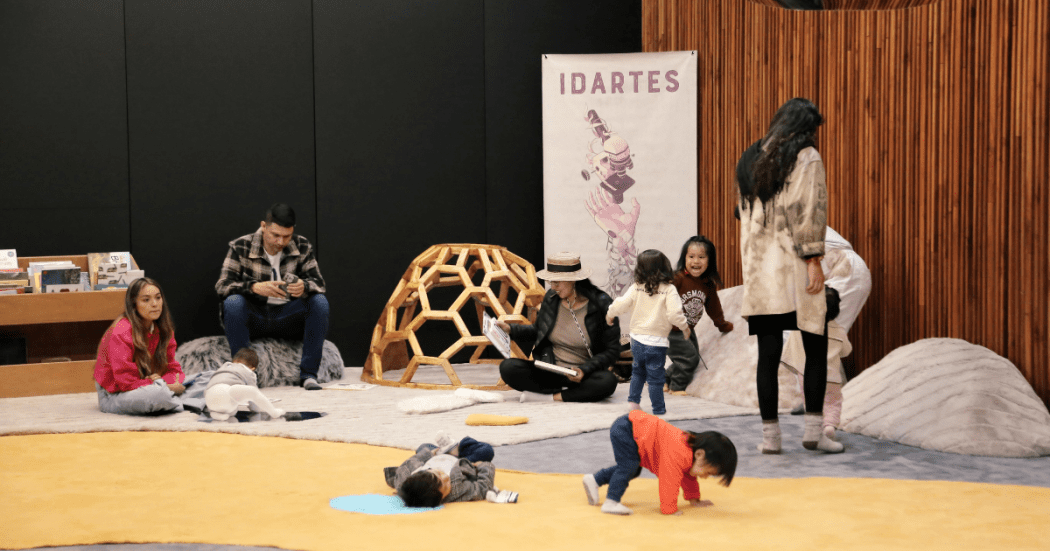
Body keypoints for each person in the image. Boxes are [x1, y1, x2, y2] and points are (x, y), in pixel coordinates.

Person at [735, 97, 842, 454]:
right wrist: (814, 258)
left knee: (768, 352)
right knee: (815, 344)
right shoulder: (806, 156)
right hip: (794, 265)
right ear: (805, 128)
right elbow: (808, 206)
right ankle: (815, 432)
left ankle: (771, 439)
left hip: (759, 271)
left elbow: (741, 215)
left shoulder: (749, 156)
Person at [215, 203, 330, 390]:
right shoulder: (241, 246)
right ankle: (244, 375)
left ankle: (309, 375)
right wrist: (254, 287)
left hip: (288, 317)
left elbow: (319, 284)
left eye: (286, 236)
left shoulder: (301, 245)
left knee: (319, 302)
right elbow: (222, 286)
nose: (281, 241)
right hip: (255, 317)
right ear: (263, 226)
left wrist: (304, 286)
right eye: (275, 235)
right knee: (233, 302)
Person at [497, 252, 620, 403]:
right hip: (551, 369)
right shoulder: (551, 299)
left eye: (557, 282)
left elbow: (612, 350)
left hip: (584, 374)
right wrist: (511, 330)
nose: (553, 287)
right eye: (551, 282)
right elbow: (538, 331)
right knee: (508, 368)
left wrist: (584, 369)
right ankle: (575, 394)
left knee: (607, 382)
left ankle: (553, 397)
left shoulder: (602, 304)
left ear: (573, 281)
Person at [582, 410, 736, 516]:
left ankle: (594, 480)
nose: (705, 477)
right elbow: (669, 480)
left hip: (632, 429)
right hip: (628, 428)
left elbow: (688, 476)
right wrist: (669, 509)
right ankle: (611, 502)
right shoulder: (679, 452)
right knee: (629, 465)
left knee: (632, 468)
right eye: (708, 472)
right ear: (700, 454)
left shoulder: (690, 455)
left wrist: (694, 500)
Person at [605, 250, 690, 415]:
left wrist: (610, 314)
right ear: (665, 267)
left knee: (637, 371)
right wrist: (684, 327)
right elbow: (674, 314)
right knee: (656, 378)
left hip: (637, 339)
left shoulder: (637, 287)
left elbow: (621, 304)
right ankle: (658, 408)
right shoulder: (669, 289)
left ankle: (633, 402)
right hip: (657, 343)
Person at [94, 277, 186, 415]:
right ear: (134, 304)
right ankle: (179, 401)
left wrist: (166, 383)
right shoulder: (121, 330)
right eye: (146, 300)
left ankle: (171, 398)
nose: (155, 304)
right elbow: (125, 382)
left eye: (158, 298)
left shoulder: (164, 329)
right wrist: (166, 386)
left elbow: (173, 369)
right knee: (158, 395)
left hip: (152, 385)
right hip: (116, 394)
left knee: (205, 378)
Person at [665, 236, 734, 395]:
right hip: (670, 329)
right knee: (690, 358)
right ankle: (677, 387)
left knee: (689, 357)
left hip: (688, 329)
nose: (696, 261)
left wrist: (722, 324)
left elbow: (713, 307)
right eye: (691, 257)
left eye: (701, 257)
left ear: (709, 261)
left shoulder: (708, 284)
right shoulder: (677, 279)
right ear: (684, 259)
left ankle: (664, 378)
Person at [781, 287, 852, 441]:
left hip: (806, 376)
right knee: (833, 403)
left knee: (812, 403)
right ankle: (830, 426)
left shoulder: (801, 329)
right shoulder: (839, 331)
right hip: (832, 377)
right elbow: (846, 350)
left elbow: (790, 347)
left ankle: (816, 428)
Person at [385, 433, 518, 507]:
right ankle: (457, 448)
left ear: (422, 471)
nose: (446, 478)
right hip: (462, 461)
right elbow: (483, 486)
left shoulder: (405, 478)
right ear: (441, 498)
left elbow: (410, 462)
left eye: (438, 474)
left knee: (423, 447)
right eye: (446, 485)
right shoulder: (457, 491)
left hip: (436, 457)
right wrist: (482, 466)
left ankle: (446, 449)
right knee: (486, 450)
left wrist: (431, 453)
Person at [204, 348, 287, 422]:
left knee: (232, 409)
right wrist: (255, 409)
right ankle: (274, 412)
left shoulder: (224, 367)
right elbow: (253, 397)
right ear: (253, 368)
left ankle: (216, 414)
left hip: (209, 397)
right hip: (226, 392)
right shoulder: (248, 372)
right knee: (252, 391)